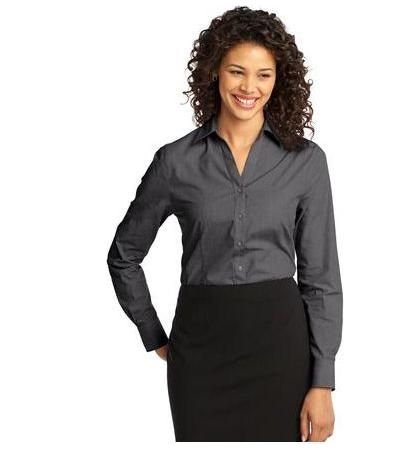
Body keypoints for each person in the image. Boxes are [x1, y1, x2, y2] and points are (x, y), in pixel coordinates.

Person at [107, 6, 343, 442]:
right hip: (199, 353)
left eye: (263, 75)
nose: (249, 88)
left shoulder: (306, 162)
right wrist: (152, 332)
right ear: (215, 70)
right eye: (237, 71)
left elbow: (321, 279)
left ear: (279, 80)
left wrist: (322, 381)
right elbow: (124, 255)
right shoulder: (175, 162)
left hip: (281, 350)